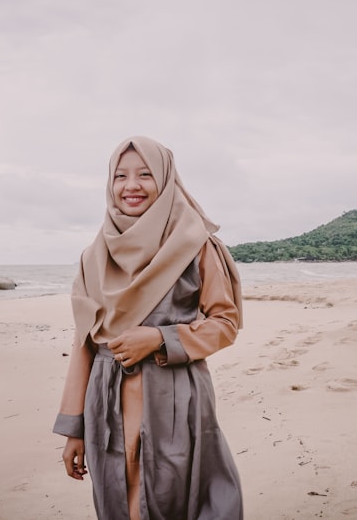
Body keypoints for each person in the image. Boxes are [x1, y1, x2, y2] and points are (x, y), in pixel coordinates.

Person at [53, 136, 244, 520]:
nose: (131, 186)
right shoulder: (93, 257)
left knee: (176, 497)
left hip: (174, 396)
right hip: (105, 400)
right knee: (118, 499)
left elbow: (226, 322)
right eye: (120, 176)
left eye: (145, 174)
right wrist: (75, 428)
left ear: (166, 180)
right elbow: (85, 344)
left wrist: (160, 338)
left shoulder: (196, 245)